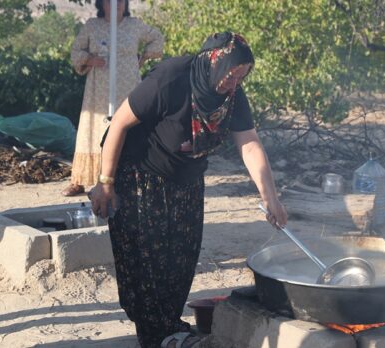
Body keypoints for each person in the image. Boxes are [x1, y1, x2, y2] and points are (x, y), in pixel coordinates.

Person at [88, 32, 287, 348]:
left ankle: (168, 327)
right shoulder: (172, 77)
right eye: (231, 74)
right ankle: (158, 337)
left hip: (188, 179)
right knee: (148, 260)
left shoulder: (232, 96)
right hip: (141, 173)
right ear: (213, 61)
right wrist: (106, 183)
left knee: (180, 258)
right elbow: (119, 125)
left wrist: (270, 198)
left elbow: (249, 143)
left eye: (241, 77)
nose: (234, 82)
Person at [64, 0, 165, 196]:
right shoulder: (92, 26)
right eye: (111, 1)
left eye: (120, 1)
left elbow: (157, 39)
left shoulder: (134, 25)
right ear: (102, 4)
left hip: (128, 86)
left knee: (129, 126)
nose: (116, 4)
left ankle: (130, 176)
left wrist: (143, 57)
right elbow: (76, 51)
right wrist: (91, 59)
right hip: (99, 88)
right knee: (94, 126)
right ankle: (80, 179)